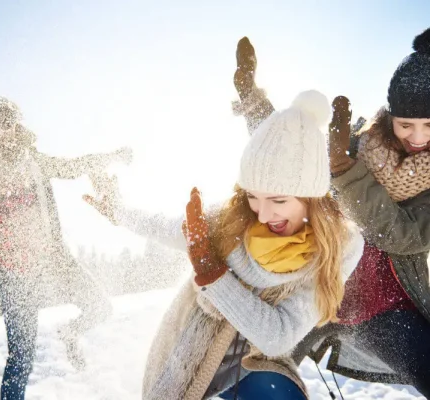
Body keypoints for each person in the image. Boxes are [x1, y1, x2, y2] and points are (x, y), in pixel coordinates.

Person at [85, 90, 364, 399]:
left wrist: (213, 275)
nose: (264, 213)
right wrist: (118, 211)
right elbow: (163, 225)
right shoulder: (231, 221)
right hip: (193, 354)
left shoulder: (340, 246)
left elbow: (277, 336)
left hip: (255, 364)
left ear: (311, 197)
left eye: (279, 200)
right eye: (253, 196)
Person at [233, 30, 430, 397]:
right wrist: (251, 96)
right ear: (390, 118)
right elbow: (286, 156)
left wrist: (346, 174)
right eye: (406, 124)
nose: (417, 138)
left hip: (382, 311)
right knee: (253, 374)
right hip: (312, 291)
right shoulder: (354, 144)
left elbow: (401, 237)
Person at [0, 95, 129, 400]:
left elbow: (72, 166)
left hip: (52, 258)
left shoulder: (32, 158)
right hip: (14, 275)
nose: (2, 127)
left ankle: (70, 331)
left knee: (101, 305)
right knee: (21, 357)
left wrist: (110, 156)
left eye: (7, 119)